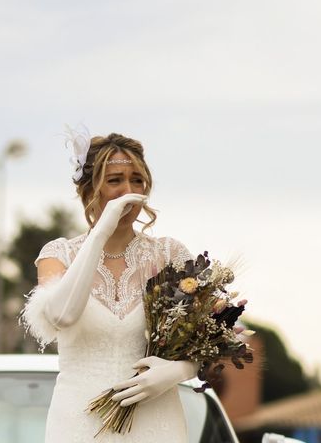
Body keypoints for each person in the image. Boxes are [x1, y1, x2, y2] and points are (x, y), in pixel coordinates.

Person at [21, 130, 198, 443]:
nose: (128, 191)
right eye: (115, 180)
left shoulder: (170, 255)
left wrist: (179, 372)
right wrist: (100, 233)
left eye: (137, 180)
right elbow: (62, 316)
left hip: (157, 423)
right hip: (79, 424)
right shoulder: (58, 254)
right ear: (91, 189)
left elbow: (209, 340)